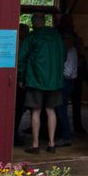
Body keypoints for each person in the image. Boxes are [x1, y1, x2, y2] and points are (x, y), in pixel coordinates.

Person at [17, 13, 66, 154]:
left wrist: (21, 77)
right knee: (51, 111)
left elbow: (21, 58)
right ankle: (51, 144)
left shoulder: (32, 37)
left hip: (35, 80)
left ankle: (35, 145)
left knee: (36, 111)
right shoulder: (57, 37)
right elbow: (64, 55)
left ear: (33, 23)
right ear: (44, 22)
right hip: (54, 82)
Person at [54, 32, 79, 148]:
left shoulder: (71, 53)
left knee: (61, 110)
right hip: (67, 82)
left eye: (66, 39)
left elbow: (68, 73)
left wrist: (55, 69)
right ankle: (62, 134)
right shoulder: (69, 51)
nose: (64, 41)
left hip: (66, 83)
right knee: (60, 109)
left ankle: (66, 136)